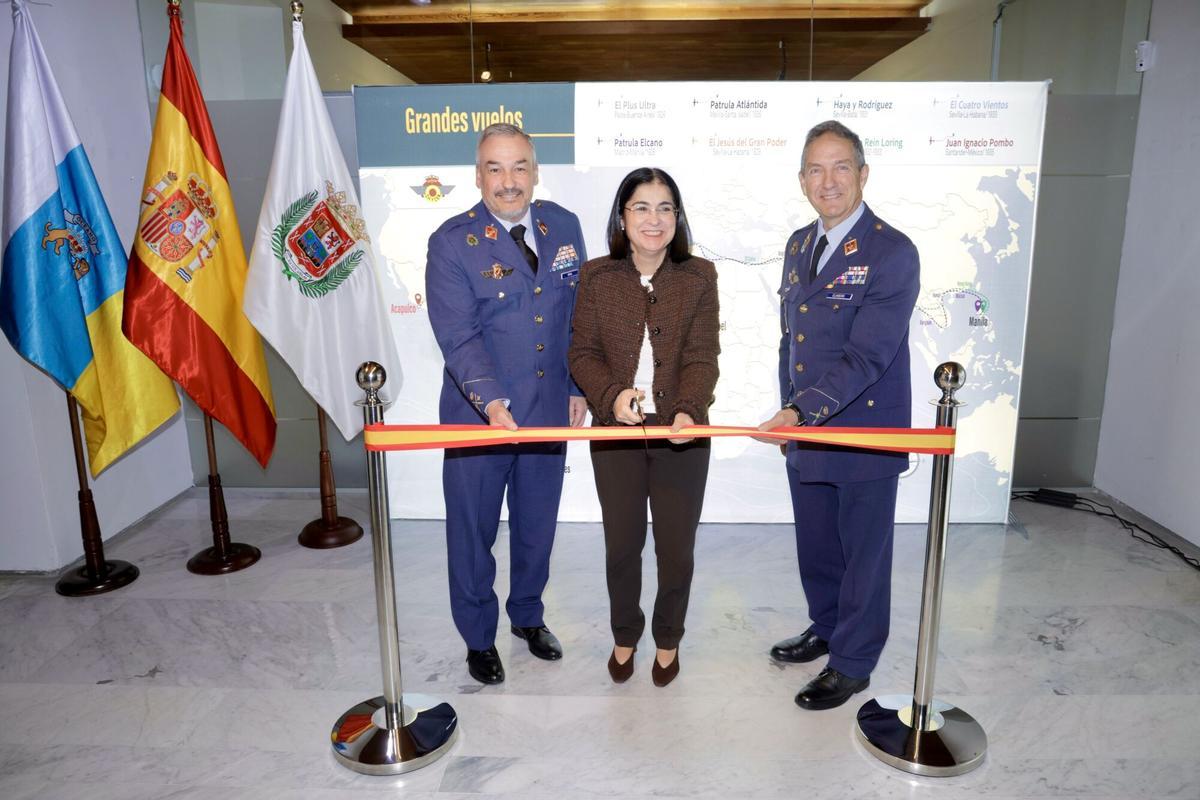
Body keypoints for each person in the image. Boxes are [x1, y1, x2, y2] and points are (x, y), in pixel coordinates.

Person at [756, 120, 920, 710]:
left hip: (863, 429)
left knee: (863, 555)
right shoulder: (801, 244)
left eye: (840, 167)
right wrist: (788, 413)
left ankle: (853, 663)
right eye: (816, 169)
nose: (828, 181)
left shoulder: (892, 251)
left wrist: (801, 411)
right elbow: (791, 341)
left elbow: (868, 354)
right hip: (806, 429)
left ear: (863, 174)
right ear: (802, 180)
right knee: (818, 545)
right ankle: (826, 628)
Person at [425, 123, 588, 685]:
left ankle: (527, 616)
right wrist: (492, 403)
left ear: (535, 172)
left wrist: (576, 388)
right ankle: (477, 636)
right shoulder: (451, 242)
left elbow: (577, 318)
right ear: (478, 177)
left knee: (536, 523)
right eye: (495, 168)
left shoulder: (563, 226)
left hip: (547, 409)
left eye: (519, 166)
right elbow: (458, 337)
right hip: (479, 417)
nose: (508, 181)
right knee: (472, 530)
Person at [568, 168, 720, 688]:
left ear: (677, 218)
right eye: (641, 207)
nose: (653, 220)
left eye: (665, 208)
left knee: (676, 549)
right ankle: (624, 634)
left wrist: (689, 409)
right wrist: (612, 397)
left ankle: (669, 638)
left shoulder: (700, 276)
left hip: (682, 433)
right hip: (616, 434)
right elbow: (583, 353)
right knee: (622, 545)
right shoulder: (596, 276)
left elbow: (703, 356)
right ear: (622, 216)